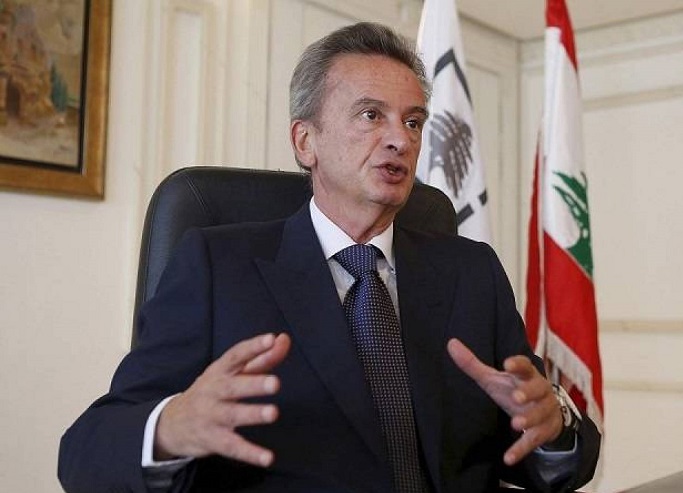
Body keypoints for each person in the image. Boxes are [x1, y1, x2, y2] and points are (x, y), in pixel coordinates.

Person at [58, 22, 600, 493]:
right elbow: (86, 452)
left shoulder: (471, 272)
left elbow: (543, 453)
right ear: (305, 142)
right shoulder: (218, 267)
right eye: (371, 115)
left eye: (413, 122)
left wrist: (554, 428)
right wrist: (173, 426)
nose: (400, 139)